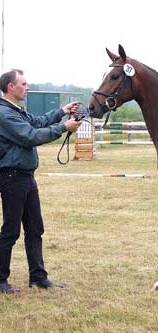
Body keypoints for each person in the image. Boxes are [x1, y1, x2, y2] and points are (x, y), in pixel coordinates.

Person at [0, 69, 83, 293]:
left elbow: (37, 122)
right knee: (10, 230)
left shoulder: (16, 110)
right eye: (24, 84)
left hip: (26, 177)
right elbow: (30, 136)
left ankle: (38, 276)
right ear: (11, 87)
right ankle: (0, 279)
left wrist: (61, 112)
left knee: (35, 228)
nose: (27, 87)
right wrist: (63, 127)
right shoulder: (4, 113)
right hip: (12, 178)